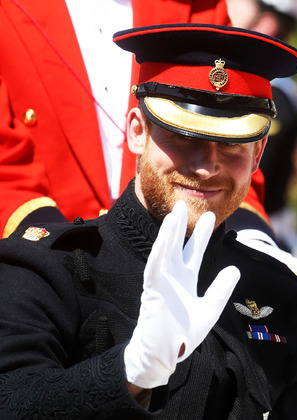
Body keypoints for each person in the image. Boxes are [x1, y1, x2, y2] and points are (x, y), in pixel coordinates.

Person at [0, 23, 297, 419]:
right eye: (183, 137)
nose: (206, 166)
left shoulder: (281, 291)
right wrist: (131, 371)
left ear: (258, 153)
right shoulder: (44, 267)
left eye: (232, 144)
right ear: (137, 131)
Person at [0, 0, 282, 270]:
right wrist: (55, 254)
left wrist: (255, 246)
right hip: (38, 254)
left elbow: (225, 133)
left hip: (175, 258)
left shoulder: (196, 3)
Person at [227, 0, 297, 263]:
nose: (269, 27)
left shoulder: (283, 96)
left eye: (283, 24)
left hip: (265, 231)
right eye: (260, 11)